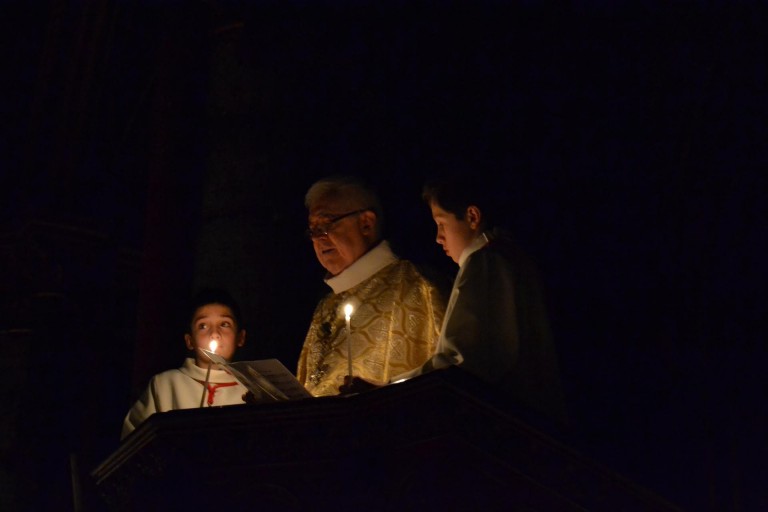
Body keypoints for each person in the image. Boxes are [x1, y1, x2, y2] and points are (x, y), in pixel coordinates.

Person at [348, 175, 568, 426]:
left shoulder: (485, 261)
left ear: (472, 217)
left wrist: (389, 389)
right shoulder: (513, 259)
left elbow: (460, 364)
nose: (438, 237)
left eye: (441, 223)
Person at [295, 175, 446, 396]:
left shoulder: (415, 285)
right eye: (313, 230)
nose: (318, 238)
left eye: (326, 225)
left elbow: (443, 377)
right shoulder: (326, 305)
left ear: (366, 223)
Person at [121, 288, 248, 439]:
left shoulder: (252, 389)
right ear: (189, 341)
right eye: (203, 326)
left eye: (224, 324)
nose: (214, 334)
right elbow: (135, 439)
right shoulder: (165, 384)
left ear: (240, 337)